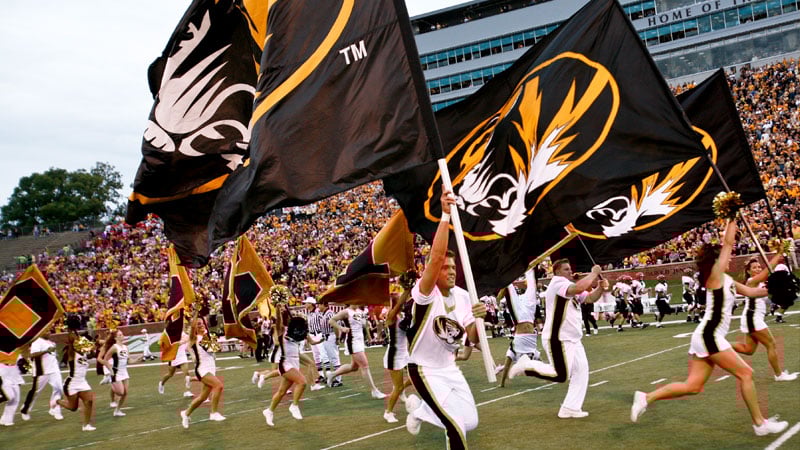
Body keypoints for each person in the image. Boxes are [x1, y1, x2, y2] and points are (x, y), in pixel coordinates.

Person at [631, 220, 789, 436]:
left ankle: (646, 397)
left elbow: (753, 293)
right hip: (710, 336)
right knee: (746, 373)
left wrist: (775, 285)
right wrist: (732, 216)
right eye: (726, 256)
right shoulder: (714, 276)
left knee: (693, 386)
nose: (730, 258)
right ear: (717, 260)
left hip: (707, 336)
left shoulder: (727, 280)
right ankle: (760, 424)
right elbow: (727, 244)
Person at [403, 189, 487, 449]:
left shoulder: (463, 295)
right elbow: (436, 257)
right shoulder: (425, 293)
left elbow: (470, 338)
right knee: (455, 426)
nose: (450, 271)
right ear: (433, 272)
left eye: (453, 268)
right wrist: (446, 215)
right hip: (424, 368)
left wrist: (478, 320)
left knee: (470, 421)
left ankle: (419, 412)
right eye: (445, 268)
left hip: (449, 367)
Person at [508, 259, 607, 419]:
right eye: (566, 269)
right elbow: (579, 287)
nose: (570, 272)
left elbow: (589, 298)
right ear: (557, 272)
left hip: (573, 338)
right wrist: (594, 273)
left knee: (581, 372)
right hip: (558, 338)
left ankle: (570, 408)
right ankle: (526, 365)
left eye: (570, 269)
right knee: (560, 375)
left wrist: (600, 288)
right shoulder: (557, 283)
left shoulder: (569, 287)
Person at [732, 255, 798, 381]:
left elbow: (770, 289)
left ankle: (718, 345)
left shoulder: (759, 282)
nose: (757, 269)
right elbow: (764, 274)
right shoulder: (751, 281)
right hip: (752, 317)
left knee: (748, 350)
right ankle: (779, 375)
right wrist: (777, 255)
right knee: (771, 344)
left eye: (759, 267)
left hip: (753, 317)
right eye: (754, 267)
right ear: (748, 271)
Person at [262, 305, 321, 426]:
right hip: (285, 363)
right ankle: (294, 406)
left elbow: (310, 340)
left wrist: (322, 339)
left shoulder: (297, 330)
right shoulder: (281, 330)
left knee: (282, 391)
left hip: (294, 362)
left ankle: (269, 411)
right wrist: (278, 309)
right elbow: (278, 320)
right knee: (302, 382)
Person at [326, 304, 386, 399]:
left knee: (353, 367)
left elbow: (364, 326)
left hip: (360, 341)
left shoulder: (360, 311)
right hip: (352, 342)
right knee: (365, 365)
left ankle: (332, 374)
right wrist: (341, 328)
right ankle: (374, 390)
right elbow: (331, 320)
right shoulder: (346, 312)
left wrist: (369, 337)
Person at [495, 268, 541, 388]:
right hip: (529, 317)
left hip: (519, 318)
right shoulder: (534, 354)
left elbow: (506, 367)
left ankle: (507, 268)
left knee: (509, 286)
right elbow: (541, 365)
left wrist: (502, 384)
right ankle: (529, 265)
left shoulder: (513, 351)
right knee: (532, 285)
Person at [181, 309, 225, 428]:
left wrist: (215, 342)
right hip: (201, 369)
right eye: (198, 324)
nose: (201, 325)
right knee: (219, 386)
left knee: (203, 397)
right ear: (194, 326)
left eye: (202, 323)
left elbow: (216, 349)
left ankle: (186, 413)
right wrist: (195, 314)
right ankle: (214, 413)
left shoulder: (207, 335)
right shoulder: (193, 338)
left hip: (211, 368)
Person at [57, 316, 96, 431]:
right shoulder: (71, 353)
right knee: (73, 408)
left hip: (82, 381)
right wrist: (71, 329)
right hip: (72, 383)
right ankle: (57, 401)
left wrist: (94, 345)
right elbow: (71, 338)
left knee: (89, 401)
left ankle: (86, 425)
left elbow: (90, 354)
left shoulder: (83, 353)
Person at [382, 285, 413, 423]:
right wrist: (407, 289)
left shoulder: (402, 315)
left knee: (415, 378)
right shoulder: (391, 316)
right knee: (398, 386)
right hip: (394, 356)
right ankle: (388, 412)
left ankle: (400, 392)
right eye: (400, 299)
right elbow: (401, 302)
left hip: (404, 353)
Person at [20, 332, 64, 421]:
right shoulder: (37, 342)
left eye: (50, 331)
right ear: (41, 332)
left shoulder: (51, 342)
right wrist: (46, 351)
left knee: (59, 389)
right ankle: (25, 410)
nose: (49, 333)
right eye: (47, 331)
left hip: (54, 370)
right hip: (42, 371)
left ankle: (55, 409)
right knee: (35, 391)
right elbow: (33, 354)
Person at [98, 329, 140, 417]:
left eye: (122, 334)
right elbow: (105, 359)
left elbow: (129, 361)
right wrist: (110, 369)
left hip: (124, 372)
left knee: (125, 393)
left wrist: (137, 359)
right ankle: (111, 381)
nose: (122, 336)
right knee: (120, 392)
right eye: (120, 335)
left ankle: (117, 410)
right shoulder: (114, 347)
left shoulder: (125, 347)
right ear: (116, 338)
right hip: (116, 372)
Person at [159, 328, 193, 397]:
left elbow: (187, 338)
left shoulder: (182, 332)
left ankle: (187, 391)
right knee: (170, 374)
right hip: (173, 356)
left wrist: (185, 339)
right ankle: (161, 383)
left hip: (182, 355)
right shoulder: (168, 334)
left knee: (187, 374)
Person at [304, 297, 330, 385]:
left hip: (318, 334)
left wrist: (323, 333)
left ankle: (329, 375)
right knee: (316, 356)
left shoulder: (318, 312)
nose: (305, 304)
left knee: (323, 355)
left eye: (306, 303)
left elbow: (323, 321)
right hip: (312, 335)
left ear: (311, 304)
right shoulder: (309, 313)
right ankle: (321, 375)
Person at [0, 350, 28, 427]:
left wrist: (26, 366)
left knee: (15, 400)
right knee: (10, 396)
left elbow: (23, 363)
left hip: (15, 374)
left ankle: (7, 419)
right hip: (3, 374)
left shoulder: (16, 352)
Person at [318, 302, 343, 387]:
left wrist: (337, 338)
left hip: (331, 336)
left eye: (319, 304)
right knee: (331, 358)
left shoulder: (330, 313)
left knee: (334, 358)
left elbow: (335, 326)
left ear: (324, 305)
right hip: (326, 337)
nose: (318, 306)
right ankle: (336, 378)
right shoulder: (324, 314)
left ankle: (338, 379)